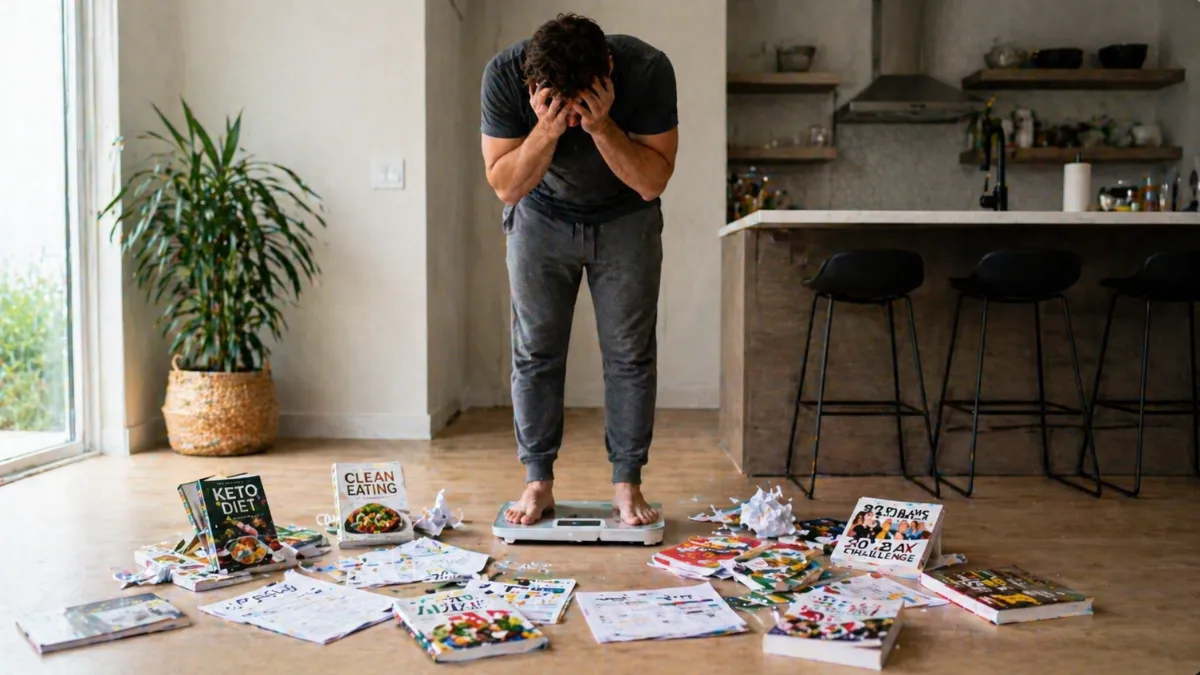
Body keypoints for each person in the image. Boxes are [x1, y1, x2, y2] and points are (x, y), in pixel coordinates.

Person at [479, 13, 679, 526]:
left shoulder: (649, 68)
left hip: (626, 219)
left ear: (609, 67)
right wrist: (547, 129)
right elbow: (505, 184)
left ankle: (627, 484)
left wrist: (600, 125)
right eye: (556, 99)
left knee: (630, 354)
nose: (571, 114)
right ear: (533, 81)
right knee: (536, 351)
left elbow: (652, 181)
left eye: (581, 98)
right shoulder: (504, 75)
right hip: (539, 218)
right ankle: (537, 482)